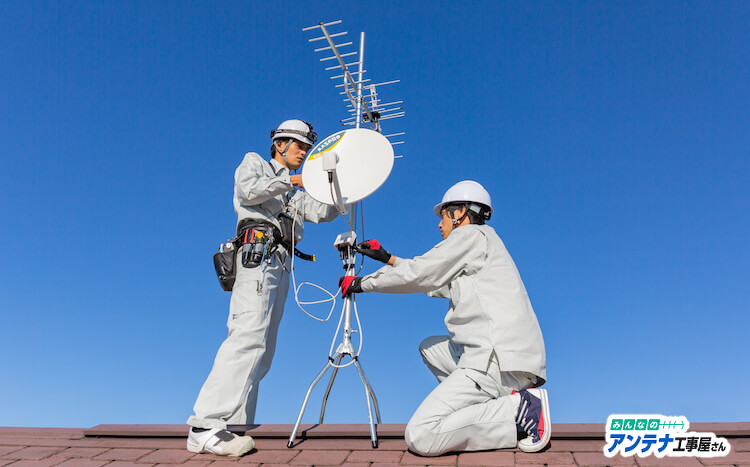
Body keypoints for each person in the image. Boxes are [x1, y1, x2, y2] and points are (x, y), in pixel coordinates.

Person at [339, 180, 550, 456]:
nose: (439, 225)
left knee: (421, 435)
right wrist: (388, 258)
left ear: (459, 212)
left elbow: (422, 273)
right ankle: (495, 405)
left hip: (495, 361)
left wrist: (362, 283)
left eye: (442, 216)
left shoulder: (471, 236)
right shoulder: (480, 248)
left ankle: (518, 409)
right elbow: (432, 281)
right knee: (429, 347)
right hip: (501, 358)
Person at [187, 119, 339, 456]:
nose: (304, 151)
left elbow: (322, 211)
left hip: (281, 266)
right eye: (298, 145)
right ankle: (204, 424)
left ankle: (234, 426)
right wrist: (291, 179)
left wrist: (347, 190)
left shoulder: (292, 194)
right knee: (248, 336)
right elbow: (249, 191)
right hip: (259, 256)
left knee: (263, 351)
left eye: (306, 146)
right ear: (280, 144)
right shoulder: (255, 163)